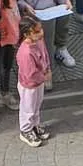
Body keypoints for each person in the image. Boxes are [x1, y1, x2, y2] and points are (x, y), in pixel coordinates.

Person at [14, 11, 51, 148]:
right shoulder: (26, 52)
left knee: (36, 105)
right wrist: (44, 76)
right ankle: (25, 130)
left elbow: (45, 53)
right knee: (28, 107)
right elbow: (30, 74)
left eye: (40, 29)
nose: (41, 33)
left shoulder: (38, 41)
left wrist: (47, 68)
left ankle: (35, 125)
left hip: (39, 81)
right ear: (26, 34)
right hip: (29, 85)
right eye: (37, 31)